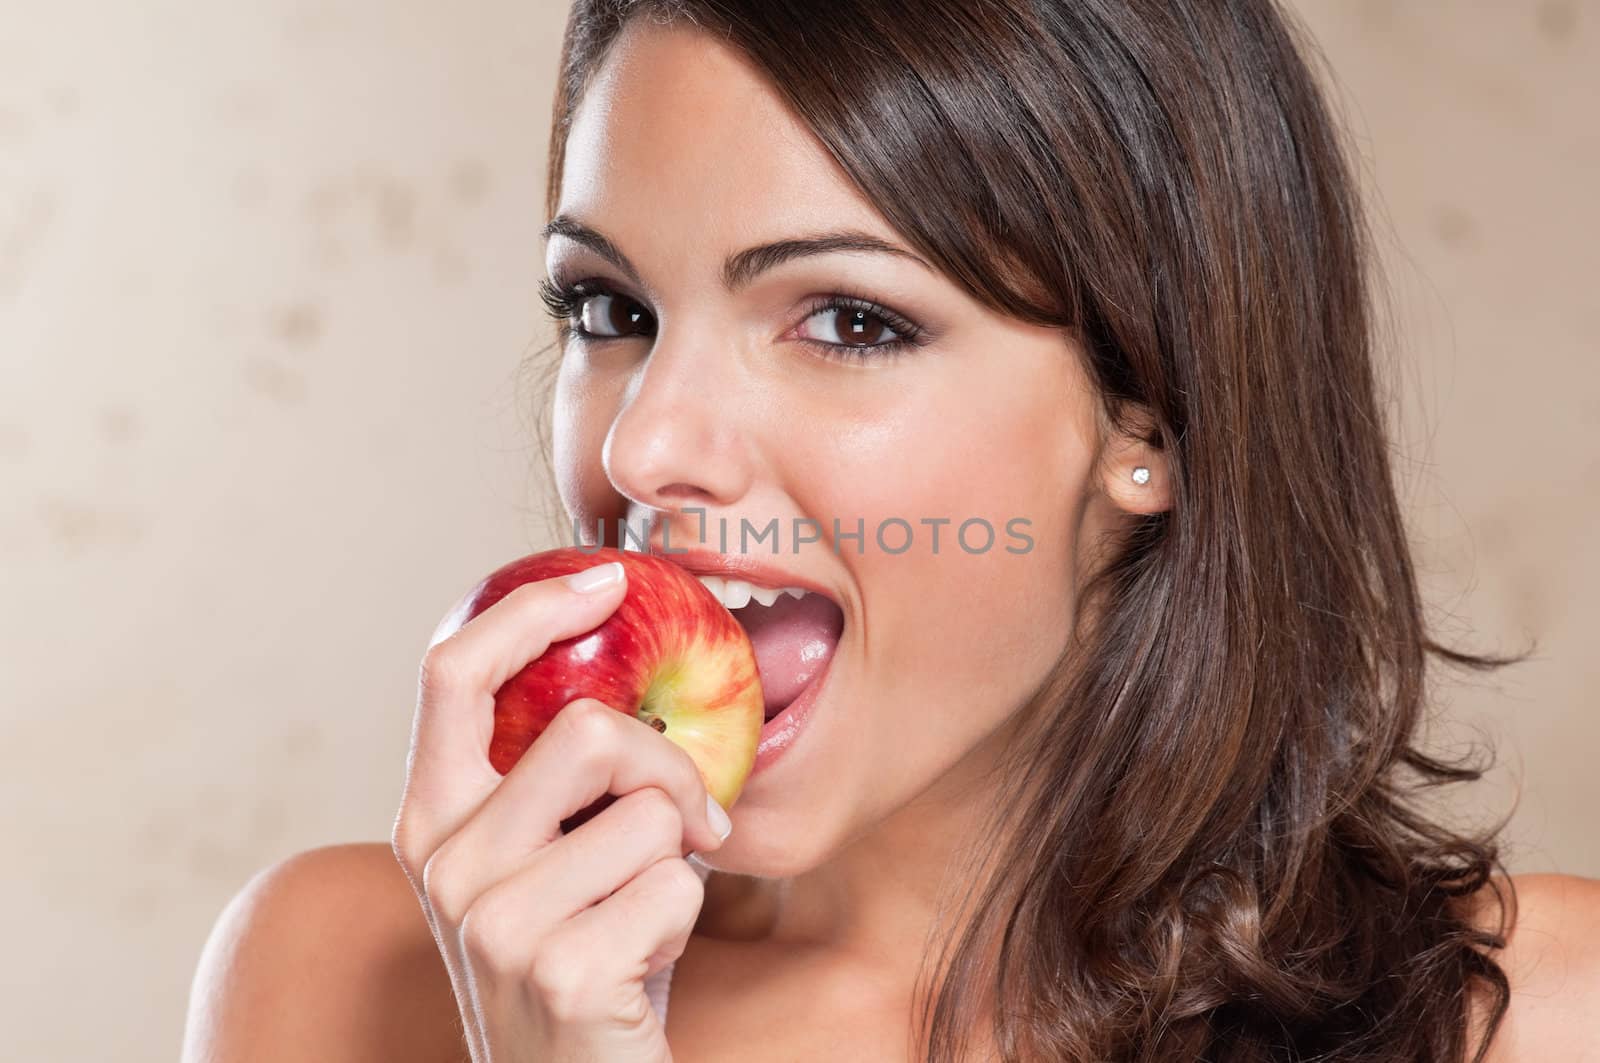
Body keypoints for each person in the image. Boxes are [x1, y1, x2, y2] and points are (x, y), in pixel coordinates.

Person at [181, 2, 1600, 1060]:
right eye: (612, 312)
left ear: (1147, 425)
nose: (644, 445)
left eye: (852, 322)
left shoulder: (1519, 1021)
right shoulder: (347, 982)